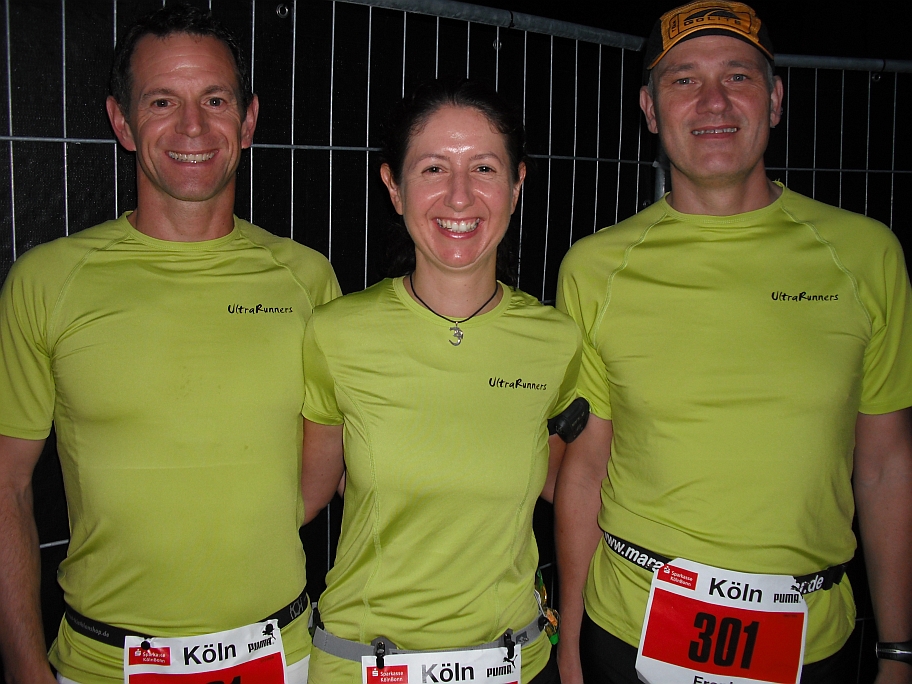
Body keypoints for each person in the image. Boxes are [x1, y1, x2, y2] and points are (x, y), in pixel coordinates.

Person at [554, 2, 912, 684]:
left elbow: (886, 464)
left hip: (813, 642)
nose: (713, 101)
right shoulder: (594, 268)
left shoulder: (866, 256)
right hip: (630, 628)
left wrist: (898, 650)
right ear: (650, 109)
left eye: (738, 76)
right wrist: (571, 648)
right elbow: (585, 466)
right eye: (683, 79)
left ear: (774, 100)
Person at [0, 5, 339, 684]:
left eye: (215, 100)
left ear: (248, 120)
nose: (192, 127)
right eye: (162, 101)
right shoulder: (47, 282)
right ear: (122, 122)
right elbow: (6, 485)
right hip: (102, 663)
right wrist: (25, 669)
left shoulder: (306, 278)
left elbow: (319, 466)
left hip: (281, 657)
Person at [299, 79, 583, 684]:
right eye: (433, 168)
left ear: (517, 185)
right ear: (394, 187)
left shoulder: (557, 342)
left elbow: (564, 482)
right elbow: (306, 493)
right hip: (364, 663)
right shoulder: (335, 333)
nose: (459, 195)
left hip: (517, 662)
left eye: (483, 168)